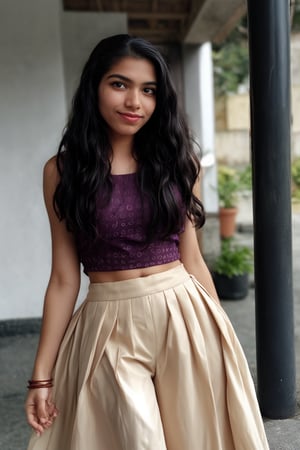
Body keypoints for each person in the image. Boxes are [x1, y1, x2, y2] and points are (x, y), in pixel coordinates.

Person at [25, 34, 269, 450]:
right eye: (119, 84)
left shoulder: (177, 161)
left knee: (198, 439)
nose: (134, 101)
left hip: (185, 313)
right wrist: (42, 376)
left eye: (148, 90)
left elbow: (192, 259)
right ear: (94, 88)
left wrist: (223, 334)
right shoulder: (63, 172)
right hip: (108, 325)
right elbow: (65, 279)